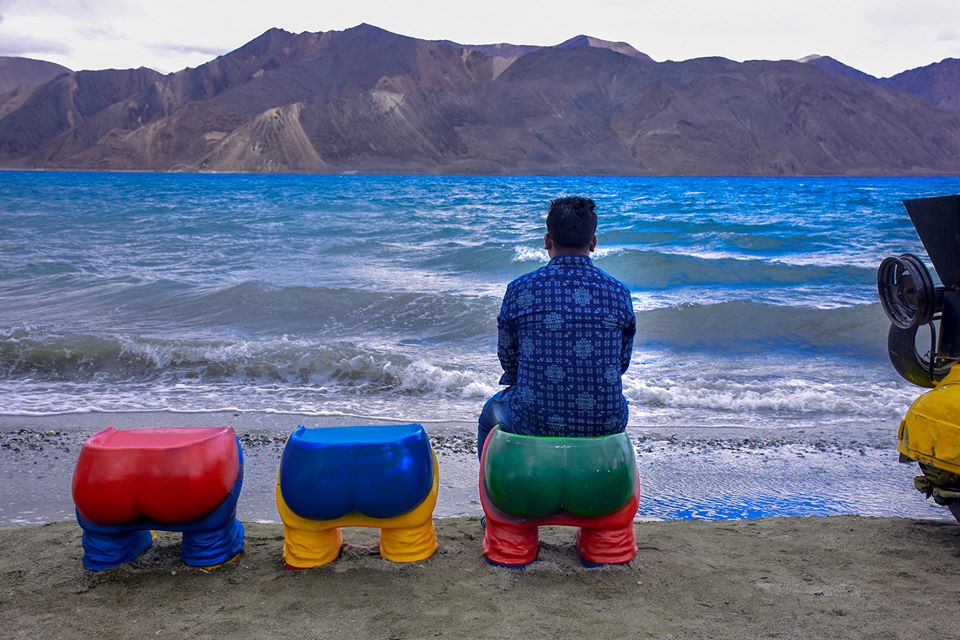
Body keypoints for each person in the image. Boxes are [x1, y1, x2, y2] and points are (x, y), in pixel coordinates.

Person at [477, 196, 636, 458]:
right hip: (604, 422)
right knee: (619, 403)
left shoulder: (520, 289)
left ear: (547, 241)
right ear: (593, 243)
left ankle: (493, 487)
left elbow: (509, 359)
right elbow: (621, 364)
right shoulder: (618, 292)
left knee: (489, 412)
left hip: (533, 419)